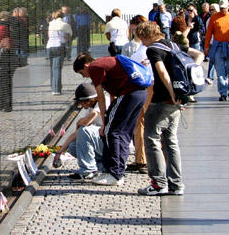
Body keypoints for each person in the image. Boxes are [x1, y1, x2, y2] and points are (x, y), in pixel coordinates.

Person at [73, 51, 148, 186]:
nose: (84, 76)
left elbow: (101, 97)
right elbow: (113, 93)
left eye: (81, 73)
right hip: (140, 94)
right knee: (123, 133)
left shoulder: (95, 67)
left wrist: (105, 121)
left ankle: (114, 174)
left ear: (85, 65)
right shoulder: (105, 63)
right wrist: (108, 117)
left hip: (128, 95)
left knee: (112, 133)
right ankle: (118, 171)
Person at [136, 21, 184, 196]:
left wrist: (171, 94)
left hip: (162, 101)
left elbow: (162, 73)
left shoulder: (153, 49)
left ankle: (158, 183)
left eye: (142, 39)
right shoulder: (172, 44)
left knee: (151, 139)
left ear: (147, 35)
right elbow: (197, 54)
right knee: (171, 142)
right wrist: (179, 97)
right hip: (176, 102)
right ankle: (176, 184)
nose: (142, 43)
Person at [53, 83, 107, 180]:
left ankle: (88, 170)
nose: (80, 104)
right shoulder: (90, 107)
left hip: (109, 142)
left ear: (87, 100)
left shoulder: (102, 101)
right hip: (101, 141)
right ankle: (101, 166)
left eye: (80, 102)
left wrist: (79, 121)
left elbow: (87, 121)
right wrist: (61, 150)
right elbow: (77, 132)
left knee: (85, 130)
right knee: (73, 146)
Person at [117, 15, 149, 174]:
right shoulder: (130, 46)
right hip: (140, 87)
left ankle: (142, 159)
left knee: (140, 124)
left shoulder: (143, 50)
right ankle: (142, 158)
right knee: (140, 124)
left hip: (140, 88)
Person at [204, 0, 229, 101]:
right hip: (218, 46)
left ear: (228, 7)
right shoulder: (214, 18)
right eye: (221, 8)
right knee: (220, 71)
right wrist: (207, 46)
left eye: (224, 8)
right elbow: (209, 33)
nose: (222, 10)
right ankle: (223, 93)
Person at [46, 9, 73, 95]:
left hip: (49, 46)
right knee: (57, 68)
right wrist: (64, 40)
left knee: (52, 68)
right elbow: (69, 35)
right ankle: (56, 89)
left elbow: (49, 35)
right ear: (63, 17)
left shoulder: (50, 24)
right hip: (59, 46)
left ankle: (53, 86)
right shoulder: (64, 24)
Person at [0, 36, 16, 111]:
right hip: (0, 65)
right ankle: (0, 103)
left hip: (4, 65)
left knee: (5, 85)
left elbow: (6, 50)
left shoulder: (6, 40)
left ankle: (7, 105)